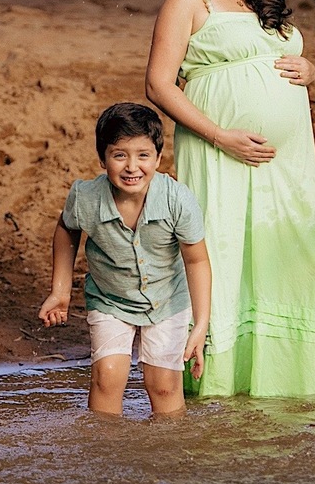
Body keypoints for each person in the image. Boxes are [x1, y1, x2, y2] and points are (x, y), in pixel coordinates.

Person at [145, 0, 315, 398]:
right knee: (224, 248)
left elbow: (280, 58)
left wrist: (310, 68)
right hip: (217, 150)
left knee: (284, 251)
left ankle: (289, 380)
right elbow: (158, 84)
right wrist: (221, 136)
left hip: (286, 163)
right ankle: (218, 381)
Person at [38, 102, 211, 417]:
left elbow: (196, 261)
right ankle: (104, 452)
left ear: (159, 158)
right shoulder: (86, 198)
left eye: (143, 155)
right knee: (107, 378)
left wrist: (200, 325)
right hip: (110, 300)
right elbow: (66, 229)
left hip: (167, 300)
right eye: (120, 155)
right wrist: (60, 290)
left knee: (163, 385)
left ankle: (168, 452)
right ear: (103, 159)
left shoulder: (178, 200)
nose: (132, 166)